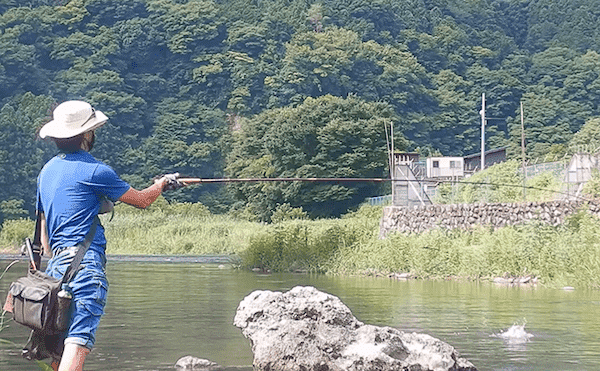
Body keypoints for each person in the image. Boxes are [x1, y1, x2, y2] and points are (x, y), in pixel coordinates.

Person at [36, 100, 182, 371]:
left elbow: (44, 234)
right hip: (85, 266)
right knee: (78, 341)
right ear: (87, 135)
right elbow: (142, 200)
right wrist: (160, 184)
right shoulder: (96, 170)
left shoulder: (46, 172)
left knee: (59, 346)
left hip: (54, 268)